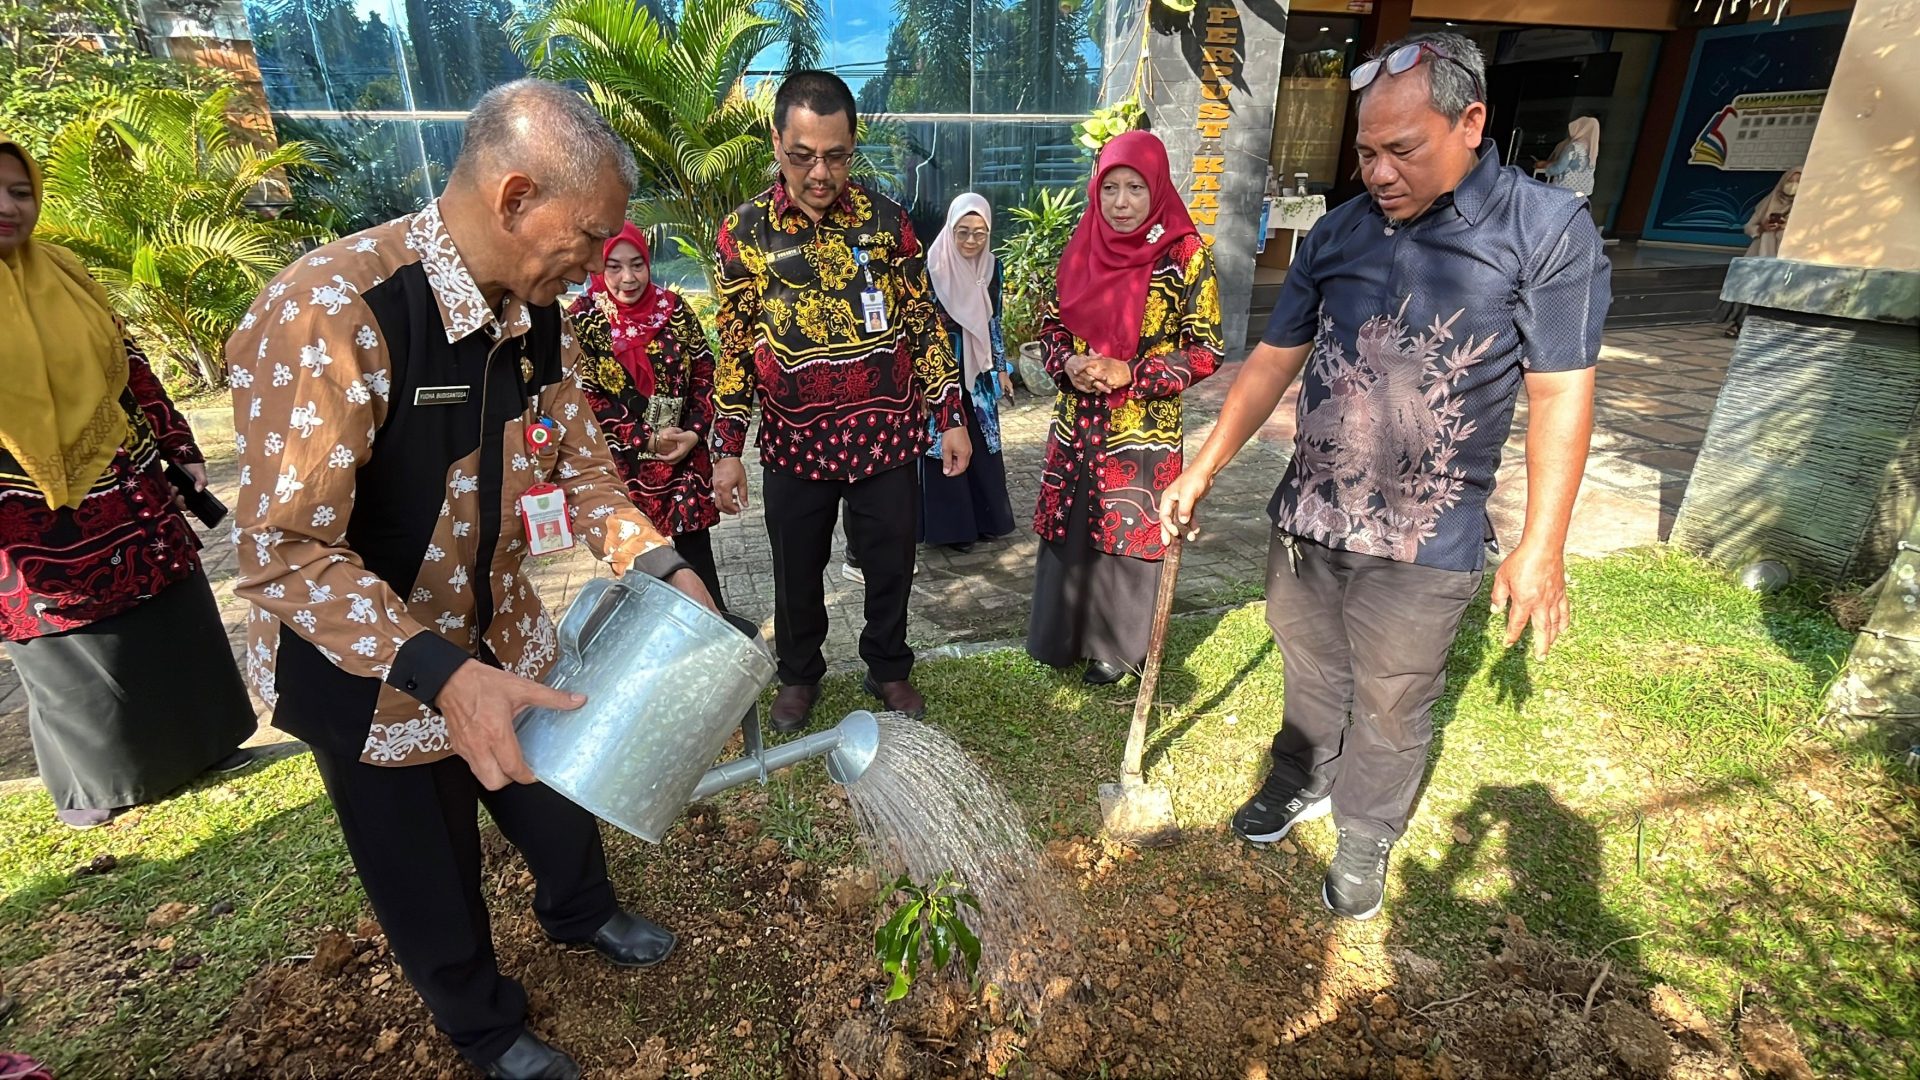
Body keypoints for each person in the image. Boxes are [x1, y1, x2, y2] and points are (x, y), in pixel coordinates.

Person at [226, 81, 716, 1080]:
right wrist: (442, 677)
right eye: (586, 238)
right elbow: (282, 548)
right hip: (374, 671)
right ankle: (485, 1027)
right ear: (515, 196)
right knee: (426, 865)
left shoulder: (536, 313)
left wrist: (663, 565)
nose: (593, 265)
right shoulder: (337, 309)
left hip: (501, 631)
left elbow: (583, 470)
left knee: (555, 795)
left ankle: (583, 912)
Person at [1160, 33, 1609, 921]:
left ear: (1471, 122)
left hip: (1424, 536)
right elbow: (1274, 358)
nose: (1378, 172)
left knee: (1396, 696)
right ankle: (1302, 778)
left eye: (1401, 150)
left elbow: (1562, 393)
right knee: (1310, 664)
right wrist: (1204, 466)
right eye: (1365, 152)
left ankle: (1366, 834)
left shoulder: (1546, 232)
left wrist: (1541, 546)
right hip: (1311, 516)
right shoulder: (1339, 231)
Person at [0, 134, 254, 831]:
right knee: (65, 639)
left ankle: (206, 744)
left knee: (170, 620)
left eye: (20, 191)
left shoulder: (63, 270)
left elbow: (129, 363)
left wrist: (178, 445)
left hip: (124, 484)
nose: (8, 207)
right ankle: (95, 784)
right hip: (23, 512)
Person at [710, 70, 971, 730]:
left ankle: (888, 666)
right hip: (795, 444)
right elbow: (735, 345)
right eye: (802, 156)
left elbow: (922, 322)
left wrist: (951, 416)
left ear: (853, 145)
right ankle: (799, 675)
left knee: (891, 563)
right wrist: (727, 448)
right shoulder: (744, 233)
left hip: (886, 437)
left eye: (834, 155)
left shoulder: (888, 222)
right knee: (796, 573)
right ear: (776, 142)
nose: (819, 173)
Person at [1025, 130, 1224, 686]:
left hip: (1142, 429)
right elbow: (1051, 324)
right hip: (1076, 426)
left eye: (1134, 187)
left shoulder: (1185, 255)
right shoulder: (1081, 241)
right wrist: (1065, 361)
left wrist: (1132, 373)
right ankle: (1059, 635)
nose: (1120, 202)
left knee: (1125, 531)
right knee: (1072, 523)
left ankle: (1116, 649)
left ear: (1156, 187)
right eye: (1109, 187)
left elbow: (1207, 350)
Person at [570, 222, 726, 607]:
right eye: (614, 267)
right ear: (598, 268)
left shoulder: (673, 310)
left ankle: (717, 634)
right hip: (624, 463)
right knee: (641, 558)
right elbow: (586, 395)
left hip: (682, 456)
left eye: (637, 264)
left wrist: (693, 431)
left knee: (696, 556)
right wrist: (643, 439)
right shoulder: (584, 321)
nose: (628, 278)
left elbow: (705, 368)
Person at [920, 192, 1016, 552]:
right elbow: (918, 329)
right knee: (943, 441)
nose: (971, 241)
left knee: (982, 439)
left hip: (979, 370)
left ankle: (987, 520)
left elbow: (995, 321)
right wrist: (921, 383)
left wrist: (1002, 367)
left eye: (979, 232)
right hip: (940, 366)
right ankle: (952, 529)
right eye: (963, 231)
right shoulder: (932, 267)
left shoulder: (993, 268)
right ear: (950, 228)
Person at [1718, 166, 1800, 336]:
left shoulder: (1804, 207)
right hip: (1758, 252)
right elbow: (1749, 227)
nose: (1793, 184)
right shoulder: (1769, 201)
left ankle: (1761, 328)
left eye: (1798, 181)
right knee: (1749, 287)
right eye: (1791, 180)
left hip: (1781, 255)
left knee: (1774, 289)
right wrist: (1762, 227)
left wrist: (1786, 227)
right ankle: (1737, 324)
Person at [1534, 116, 1600, 197]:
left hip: (1563, 191)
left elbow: (1558, 168)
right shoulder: (1592, 150)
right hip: (1581, 194)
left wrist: (1544, 166)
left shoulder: (1574, 147)